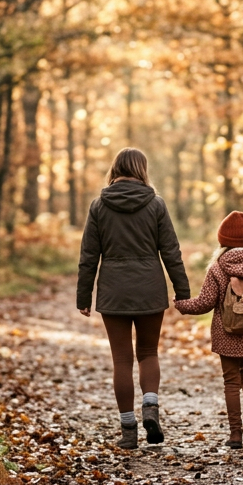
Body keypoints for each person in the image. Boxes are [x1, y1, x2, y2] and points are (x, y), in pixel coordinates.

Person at [77, 148, 191, 450]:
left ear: (115, 169)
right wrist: (182, 291)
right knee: (148, 353)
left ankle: (128, 430)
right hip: (149, 288)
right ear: (142, 169)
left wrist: (83, 296)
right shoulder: (156, 204)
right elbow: (171, 251)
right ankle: (150, 407)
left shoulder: (99, 206)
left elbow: (88, 255)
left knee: (122, 360)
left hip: (114, 290)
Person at [174, 211, 243, 449]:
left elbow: (204, 303)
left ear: (222, 240)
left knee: (231, 382)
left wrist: (181, 305)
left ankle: (235, 435)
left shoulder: (217, 268)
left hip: (227, 332)